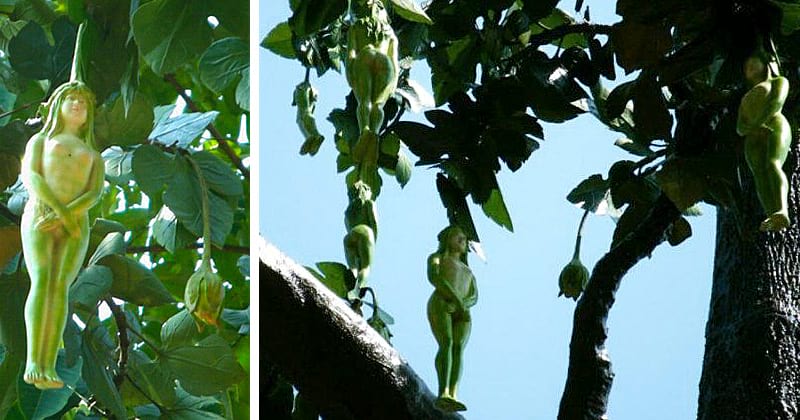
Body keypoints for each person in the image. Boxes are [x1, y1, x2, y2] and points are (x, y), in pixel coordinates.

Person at [20, 80, 104, 389]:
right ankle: (33, 360)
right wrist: (57, 211)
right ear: (57, 104)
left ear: (89, 114)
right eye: (71, 98)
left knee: (59, 287)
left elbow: (94, 193)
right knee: (41, 278)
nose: (78, 104)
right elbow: (31, 176)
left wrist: (69, 216)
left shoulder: (93, 155)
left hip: (75, 226)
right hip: (41, 216)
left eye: (84, 101)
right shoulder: (42, 140)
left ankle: (49, 364)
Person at [737, 47, 792, 231]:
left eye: (753, 62)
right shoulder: (746, 95)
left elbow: (775, 104)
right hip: (753, 136)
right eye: (746, 66)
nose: (749, 67)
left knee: (772, 163)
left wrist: (759, 123)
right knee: (759, 174)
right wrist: (751, 128)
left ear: (765, 64)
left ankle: (782, 209)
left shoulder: (778, 81)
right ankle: (772, 214)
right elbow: (739, 127)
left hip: (773, 124)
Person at [427, 225, 478, 412]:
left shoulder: (469, 271)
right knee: (446, 342)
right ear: (447, 239)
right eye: (459, 237)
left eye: (464, 240)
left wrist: (464, 304)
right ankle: (443, 391)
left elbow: (474, 295)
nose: (463, 242)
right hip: (442, 302)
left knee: (458, 348)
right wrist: (456, 299)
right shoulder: (438, 258)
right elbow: (435, 278)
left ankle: (454, 393)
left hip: (463, 313)